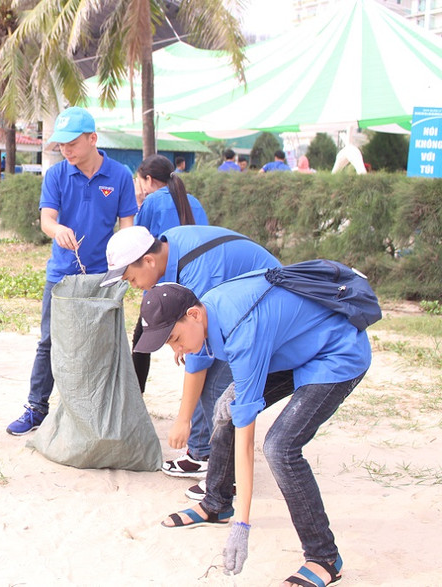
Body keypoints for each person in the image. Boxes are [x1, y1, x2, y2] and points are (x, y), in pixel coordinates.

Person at [138, 281, 370, 585]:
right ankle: (216, 504)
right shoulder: (208, 310)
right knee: (227, 409)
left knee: (279, 448)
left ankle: (324, 557)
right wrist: (239, 392)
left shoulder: (240, 331)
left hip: (337, 351)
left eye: (175, 338)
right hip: (295, 347)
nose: (176, 349)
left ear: (193, 315)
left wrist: (242, 526)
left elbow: (247, 444)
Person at [102, 225, 280, 494]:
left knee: (217, 390)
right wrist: (182, 337)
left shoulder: (197, 271)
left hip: (265, 310)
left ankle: (226, 476)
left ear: (148, 261)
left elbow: (199, 361)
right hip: (236, 308)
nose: (133, 286)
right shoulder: (170, 246)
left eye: (131, 278)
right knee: (203, 374)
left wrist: (182, 420)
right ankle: (200, 454)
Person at [6, 106, 137, 436]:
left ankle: (97, 409)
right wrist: (57, 230)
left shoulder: (120, 175)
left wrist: (121, 269)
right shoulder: (57, 175)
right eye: (60, 144)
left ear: (93, 139)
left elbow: (127, 228)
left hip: (102, 276)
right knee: (50, 341)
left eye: (71, 143)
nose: (65, 150)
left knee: (100, 343)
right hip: (62, 273)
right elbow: (46, 219)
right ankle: (36, 408)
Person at [130, 154, 208, 394]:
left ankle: (136, 397)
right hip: (197, 284)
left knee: (141, 341)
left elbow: (137, 242)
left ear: (148, 179)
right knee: (200, 346)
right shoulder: (192, 201)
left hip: (163, 288)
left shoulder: (152, 201)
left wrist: (138, 203)